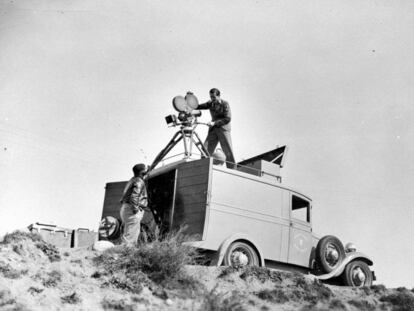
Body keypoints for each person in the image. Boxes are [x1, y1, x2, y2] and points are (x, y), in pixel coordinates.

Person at [197, 88, 236, 169]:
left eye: (213, 97)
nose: (212, 99)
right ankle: (203, 168)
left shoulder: (225, 104)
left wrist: (214, 123)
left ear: (219, 96)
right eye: (211, 97)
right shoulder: (211, 103)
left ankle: (232, 170)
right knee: (205, 148)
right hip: (214, 129)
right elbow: (200, 106)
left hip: (223, 128)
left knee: (227, 150)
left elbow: (228, 118)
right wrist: (191, 105)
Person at [119, 163, 148, 245]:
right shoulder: (139, 181)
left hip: (126, 208)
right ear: (142, 172)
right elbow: (134, 196)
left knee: (128, 234)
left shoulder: (132, 180)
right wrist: (135, 210)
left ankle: (124, 252)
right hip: (132, 210)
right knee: (130, 238)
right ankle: (126, 253)